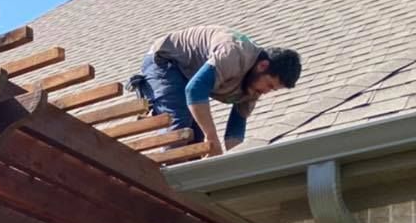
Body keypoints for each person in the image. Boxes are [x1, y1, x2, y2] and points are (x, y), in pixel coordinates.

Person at [129, 26, 301, 158]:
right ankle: (169, 184)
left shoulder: (253, 88)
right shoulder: (234, 53)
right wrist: (211, 137)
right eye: (270, 85)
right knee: (180, 124)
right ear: (262, 66)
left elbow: (235, 130)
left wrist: (234, 161)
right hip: (165, 61)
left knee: (195, 141)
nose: (267, 92)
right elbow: (195, 90)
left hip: (189, 74)